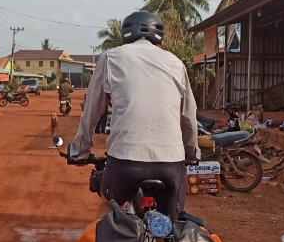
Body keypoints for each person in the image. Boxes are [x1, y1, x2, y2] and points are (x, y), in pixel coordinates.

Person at [70, 11, 199, 218]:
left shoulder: (110, 57)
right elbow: (188, 117)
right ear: (160, 41)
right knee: (172, 225)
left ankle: (108, 240)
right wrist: (191, 154)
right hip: (170, 163)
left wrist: (80, 150)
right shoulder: (176, 63)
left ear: (123, 38)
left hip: (124, 161)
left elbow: (92, 112)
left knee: (109, 208)